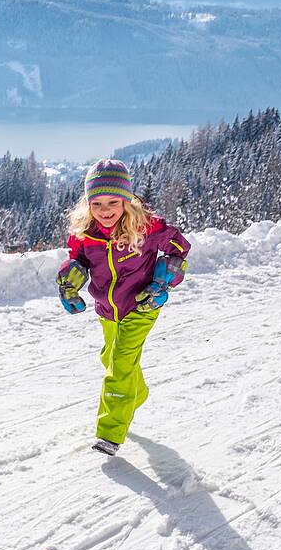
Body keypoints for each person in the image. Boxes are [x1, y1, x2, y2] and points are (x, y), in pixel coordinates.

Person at [55, 160, 191, 456]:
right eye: (97, 203)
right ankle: (136, 393)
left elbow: (180, 248)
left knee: (119, 363)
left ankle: (110, 433)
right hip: (107, 308)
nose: (105, 210)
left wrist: (164, 279)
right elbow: (76, 260)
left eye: (113, 202)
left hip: (142, 306)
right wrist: (70, 280)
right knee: (110, 358)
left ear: (127, 200)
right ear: (88, 204)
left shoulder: (147, 227)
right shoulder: (85, 234)